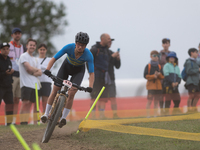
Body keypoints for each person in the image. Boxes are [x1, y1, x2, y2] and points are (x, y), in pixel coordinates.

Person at [41, 32, 94, 128]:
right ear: (75, 43)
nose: (80, 47)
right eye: (78, 44)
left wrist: (90, 86)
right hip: (66, 67)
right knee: (55, 89)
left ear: (86, 46)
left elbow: (91, 73)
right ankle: (45, 114)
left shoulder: (88, 55)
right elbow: (54, 58)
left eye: (83, 45)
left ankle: (63, 118)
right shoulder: (69, 47)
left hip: (78, 71)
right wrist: (48, 70)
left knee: (72, 93)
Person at [89, 33, 115, 119]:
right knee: (94, 96)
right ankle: (92, 116)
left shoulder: (108, 51)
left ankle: (102, 116)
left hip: (105, 78)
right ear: (102, 39)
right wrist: (90, 74)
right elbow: (88, 61)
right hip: (96, 76)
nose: (110, 41)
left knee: (103, 98)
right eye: (108, 39)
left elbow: (114, 64)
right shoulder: (94, 49)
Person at [18, 39, 42, 125]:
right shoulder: (23, 56)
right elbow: (28, 68)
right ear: (27, 46)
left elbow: (40, 72)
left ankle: (27, 122)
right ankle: (23, 122)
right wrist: (35, 70)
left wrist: (33, 70)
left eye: (34, 45)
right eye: (30, 45)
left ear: (35, 47)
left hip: (35, 85)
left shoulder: (35, 59)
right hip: (25, 84)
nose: (32, 47)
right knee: (25, 103)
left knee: (32, 104)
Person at [8, 28, 25, 124]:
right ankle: (8, 121)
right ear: (12, 35)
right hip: (11, 75)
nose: (17, 35)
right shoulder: (8, 46)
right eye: (15, 34)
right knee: (9, 98)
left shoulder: (23, 48)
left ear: (21, 35)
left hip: (21, 76)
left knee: (17, 99)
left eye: (19, 33)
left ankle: (14, 120)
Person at [144, 50, 164, 117]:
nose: (156, 57)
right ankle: (148, 115)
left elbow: (162, 76)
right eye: (154, 56)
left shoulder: (159, 66)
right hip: (151, 87)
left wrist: (159, 74)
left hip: (158, 87)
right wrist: (154, 76)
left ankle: (155, 115)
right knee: (149, 101)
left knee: (156, 102)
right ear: (151, 57)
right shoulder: (148, 66)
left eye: (157, 56)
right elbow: (145, 76)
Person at [0, 42, 14, 126]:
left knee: (10, 104)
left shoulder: (9, 59)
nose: (6, 50)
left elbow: (9, 71)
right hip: (0, 86)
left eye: (7, 49)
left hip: (8, 86)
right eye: (4, 49)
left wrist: (10, 74)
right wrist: (5, 73)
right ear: (0, 50)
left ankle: (9, 124)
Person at [106, 40, 121, 118]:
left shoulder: (112, 52)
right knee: (101, 98)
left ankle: (115, 114)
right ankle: (100, 115)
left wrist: (118, 59)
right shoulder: (100, 52)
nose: (110, 43)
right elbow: (104, 62)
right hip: (101, 79)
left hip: (111, 78)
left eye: (111, 42)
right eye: (109, 42)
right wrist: (112, 57)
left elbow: (117, 66)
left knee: (113, 97)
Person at [37, 44, 52, 113]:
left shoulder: (50, 60)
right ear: (38, 50)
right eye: (41, 49)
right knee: (36, 103)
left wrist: (38, 68)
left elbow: (48, 69)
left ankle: (45, 117)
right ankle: (35, 120)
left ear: (46, 51)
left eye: (43, 50)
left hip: (46, 82)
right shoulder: (35, 59)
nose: (42, 51)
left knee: (45, 102)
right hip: (36, 82)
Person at [184, 48, 200, 112]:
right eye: (196, 52)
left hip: (197, 82)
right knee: (191, 95)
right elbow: (188, 71)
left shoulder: (196, 62)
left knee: (198, 95)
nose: (197, 53)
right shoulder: (188, 62)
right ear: (192, 53)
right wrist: (197, 70)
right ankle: (188, 109)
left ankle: (193, 108)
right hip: (191, 82)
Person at [159, 38, 171, 114]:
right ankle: (161, 110)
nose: (165, 45)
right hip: (161, 78)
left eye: (167, 43)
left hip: (169, 78)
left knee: (168, 95)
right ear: (162, 45)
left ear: (169, 44)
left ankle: (166, 111)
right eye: (164, 43)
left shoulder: (172, 54)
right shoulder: (159, 54)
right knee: (161, 95)